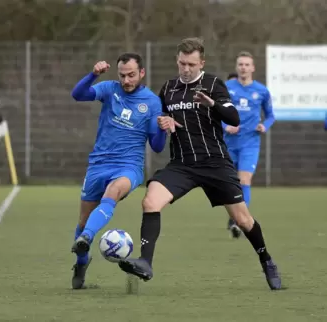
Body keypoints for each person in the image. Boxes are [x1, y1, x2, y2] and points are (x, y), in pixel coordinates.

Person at [117, 38, 281, 291]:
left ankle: (266, 260)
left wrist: (212, 104)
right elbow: (159, 124)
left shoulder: (214, 84)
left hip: (215, 162)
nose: (185, 69)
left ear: (201, 63)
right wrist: (164, 122)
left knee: (243, 219)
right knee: (150, 201)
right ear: (177, 60)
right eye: (182, 63)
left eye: (191, 64)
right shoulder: (169, 88)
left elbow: (233, 117)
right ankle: (146, 263)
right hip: (182, 164)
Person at [70, 53, 166, 289]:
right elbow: (78, 95)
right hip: (99, 164)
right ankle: (82, 260)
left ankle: (87, 238)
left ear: (142, 73)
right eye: (122, 75)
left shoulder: (152, 102)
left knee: (112, 192)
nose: (126, 80)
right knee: (83, 221)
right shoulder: (109, 89)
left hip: (129, 166)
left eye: (131, 75)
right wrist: (93, 74)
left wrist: (163, 129)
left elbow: (157, 146)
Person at [223, 51, 275, 238]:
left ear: (252, 68)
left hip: (250, 143)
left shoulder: (262, 91)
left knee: (244, 180)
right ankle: (234, 217)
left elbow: (270, 115)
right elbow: (214, 112)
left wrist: (264, 125)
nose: (243, 67)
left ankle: (238, 220)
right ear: (237, 68)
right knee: (230, 184)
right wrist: (225, 125)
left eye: (247, 64)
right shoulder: (227, 87)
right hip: (228, 143)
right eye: (240, 64)